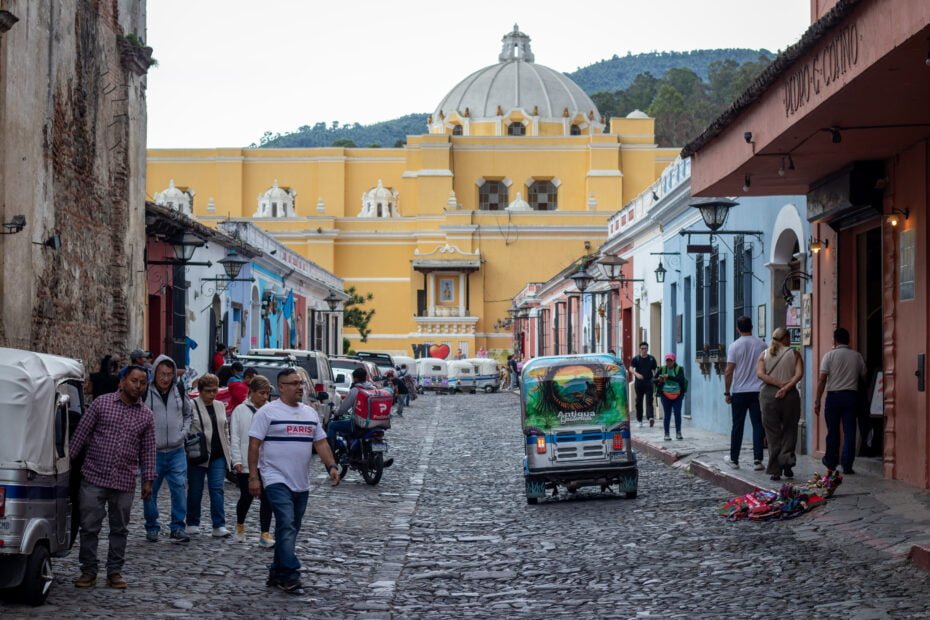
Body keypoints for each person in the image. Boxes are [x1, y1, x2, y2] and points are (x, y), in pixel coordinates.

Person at [247, 368, 342, 594]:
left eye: (300, 383)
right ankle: (291, 574)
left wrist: (331, 466)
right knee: (286, 523)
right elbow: (253, 446)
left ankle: (276, 573)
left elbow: (321, 443)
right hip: (274, 478)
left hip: (301, 482)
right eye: (294, 383)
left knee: (290, 529)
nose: (300, 387)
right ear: (281, 387)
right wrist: (253, 476)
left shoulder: (310, 413)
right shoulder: (267, 413)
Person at [69, 365, 155, 589]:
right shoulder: (101, 404)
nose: (138, 386)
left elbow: (148, 450)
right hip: (94, 476)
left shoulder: (146, 415)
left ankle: (114, 572)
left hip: (124, 480)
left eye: (143, 382)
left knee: (119, 529)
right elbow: (81, 434)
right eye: (134, 381)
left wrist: (148, 479)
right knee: (89, 527)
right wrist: (66, 462)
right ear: (122, 381)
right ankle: (88, 570)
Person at [142, 355, 192, 543]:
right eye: (162, 374)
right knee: (150, 491)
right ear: (154, 373)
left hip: (176, 450)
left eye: (169, 374)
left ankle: (178, 527)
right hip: (152, 452)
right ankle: (152, 526)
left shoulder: (179, 390)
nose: (165, 378)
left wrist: (183, 434)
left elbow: (188, 414)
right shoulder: (145, 392)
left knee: (179, 488)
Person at [186, 373, 233, 538]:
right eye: (208, 391)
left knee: (217, 489)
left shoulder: (220, 405)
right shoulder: (191, 405)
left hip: (218, 454)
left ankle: (219, 524)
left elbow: (225, 428)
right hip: (199, 454)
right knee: (195, 490)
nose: (212, 394)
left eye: (214, 390)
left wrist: (230, 452)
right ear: (200, 390)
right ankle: (192, 522)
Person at [230, 375, 274, 547]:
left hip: (266, 463)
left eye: (267, 393)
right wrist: (236, 460)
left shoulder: (271, 410)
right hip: (246, 462)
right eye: (261, 393)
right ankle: (240, 524)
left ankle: (265, 533)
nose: (265, 397)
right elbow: (235, 437)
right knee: (246, 497)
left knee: (267, 498)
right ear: (252, 392)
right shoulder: (240, 411)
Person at [815, 327, 867, 474]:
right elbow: (864, 376)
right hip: (851, 396)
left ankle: (831, 462)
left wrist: (817, 400)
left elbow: (822, 380)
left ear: (835, 340)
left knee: (833, 430)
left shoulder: (829, 356)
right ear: (848, 339)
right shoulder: (857, 356)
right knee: (850, 431)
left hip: (833, 397)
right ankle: (847, 464)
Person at [756, 327, 804, 481]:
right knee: (790, 428)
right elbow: (799, 374)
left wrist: (777, 384)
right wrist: (786, 387)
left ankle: (775, 469)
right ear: (786, 339)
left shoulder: (763, 355)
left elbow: (760, 374)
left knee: (772, 433)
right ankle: (787, 463)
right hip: (789, 396)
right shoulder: (794, 353)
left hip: (768, 396)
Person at [724, 316, 768, 471]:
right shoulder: (762, 345)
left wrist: (727, 392)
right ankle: (758, 460)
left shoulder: (734, 346)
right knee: (758, 425)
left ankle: (734, 459)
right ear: (752, 327)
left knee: (737, 426)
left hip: (740, 392)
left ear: (738, 328)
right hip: (758, 391)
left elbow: (729, 371)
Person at [329, 368, 395, 468]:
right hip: (375, 423)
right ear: (366, 377)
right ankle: (377, 459)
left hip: (359, 424)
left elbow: (343, 408)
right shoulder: (373, 388)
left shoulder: (355, 390)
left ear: (355, 378)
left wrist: (336, 412)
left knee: (332, 425)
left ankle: (331, 454)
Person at [655, 353, 687, 441]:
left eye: (670, 361)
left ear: (674, 361)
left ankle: (678, 432)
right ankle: (666, 434)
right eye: (667, 361)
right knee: (667, 414)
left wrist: (669, 377)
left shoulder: (679, 369)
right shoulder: (662, 369)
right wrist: (659, 379)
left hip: (677, 395)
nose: (669, 363)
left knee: (677, 412)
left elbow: (680, 379)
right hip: (665, 395)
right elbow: (653, 380)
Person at [629, 342, 658, 428]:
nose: (644, 350)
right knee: (639, 401)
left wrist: (655, 379)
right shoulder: (636, 359)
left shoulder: (651, 359)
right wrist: (636, 374)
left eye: (645, 348)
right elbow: (630, 368)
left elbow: (655, 370)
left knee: (649, 401)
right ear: (639, 349)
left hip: (649, 382)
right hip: (639, 383)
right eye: (642, 348)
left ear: (647, 349)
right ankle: (640, 420)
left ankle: (650, 418)